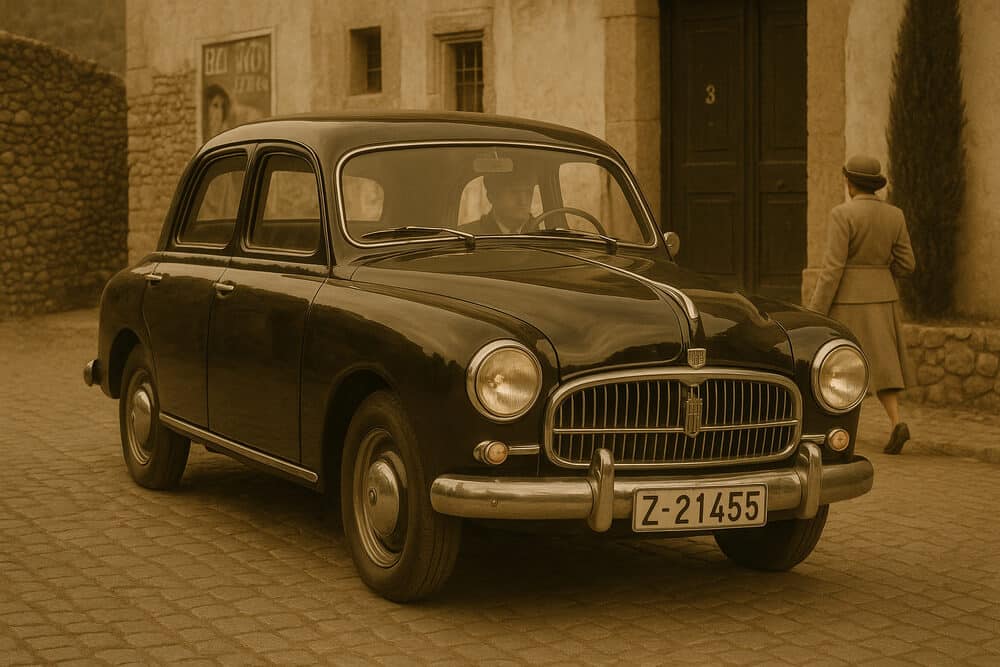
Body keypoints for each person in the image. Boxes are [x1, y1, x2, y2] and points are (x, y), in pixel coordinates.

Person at [809, 154, 917, 455]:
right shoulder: (895, 215)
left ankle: (839, 432)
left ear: (849, 183)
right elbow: (908, 264)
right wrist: (880, 274)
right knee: (885, 366)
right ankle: (897, 422)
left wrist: (815, 311)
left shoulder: (842, 215)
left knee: (841, 366)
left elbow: (832, 269)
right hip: (883, 297)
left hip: (847, 300)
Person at [462, 170, 537, 235]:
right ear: (491, 196)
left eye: (528, 192)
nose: (523, 201)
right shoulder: (469, 237)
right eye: (514, 192)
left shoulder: (541, 234)